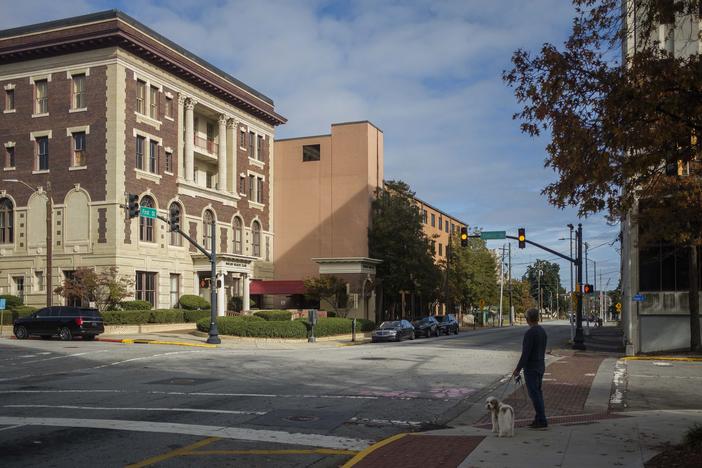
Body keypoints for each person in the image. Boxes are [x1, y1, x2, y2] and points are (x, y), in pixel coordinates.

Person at [512, 308, 548, 429]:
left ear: (528, 319)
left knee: (534, 394)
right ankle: (539, 418)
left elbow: (525, 354)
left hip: (531, 368)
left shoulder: (530, 333)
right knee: (538, 393)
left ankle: (541, 419)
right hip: (540, 366)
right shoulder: (542, 331)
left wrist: (517, 369)